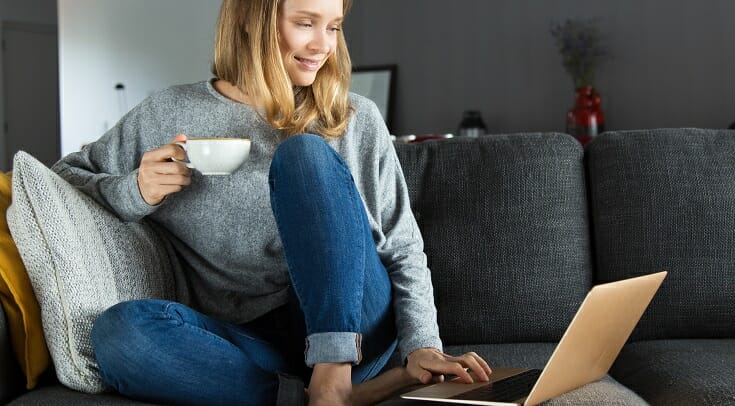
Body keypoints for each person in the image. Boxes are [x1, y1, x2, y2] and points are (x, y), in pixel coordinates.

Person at [52, 0, 492, 405]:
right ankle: (315, 398)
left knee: (304, 153)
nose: (323, 45)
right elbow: (65, 177)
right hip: (250, 344)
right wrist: (135, 190)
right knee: (118, 333)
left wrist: (422, 346)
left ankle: (334, 376)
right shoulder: (168, 112)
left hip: (357, 328)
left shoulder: (354, 118)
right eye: (305, 24)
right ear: (252, 22)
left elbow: (402, 246)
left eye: (333, 27)